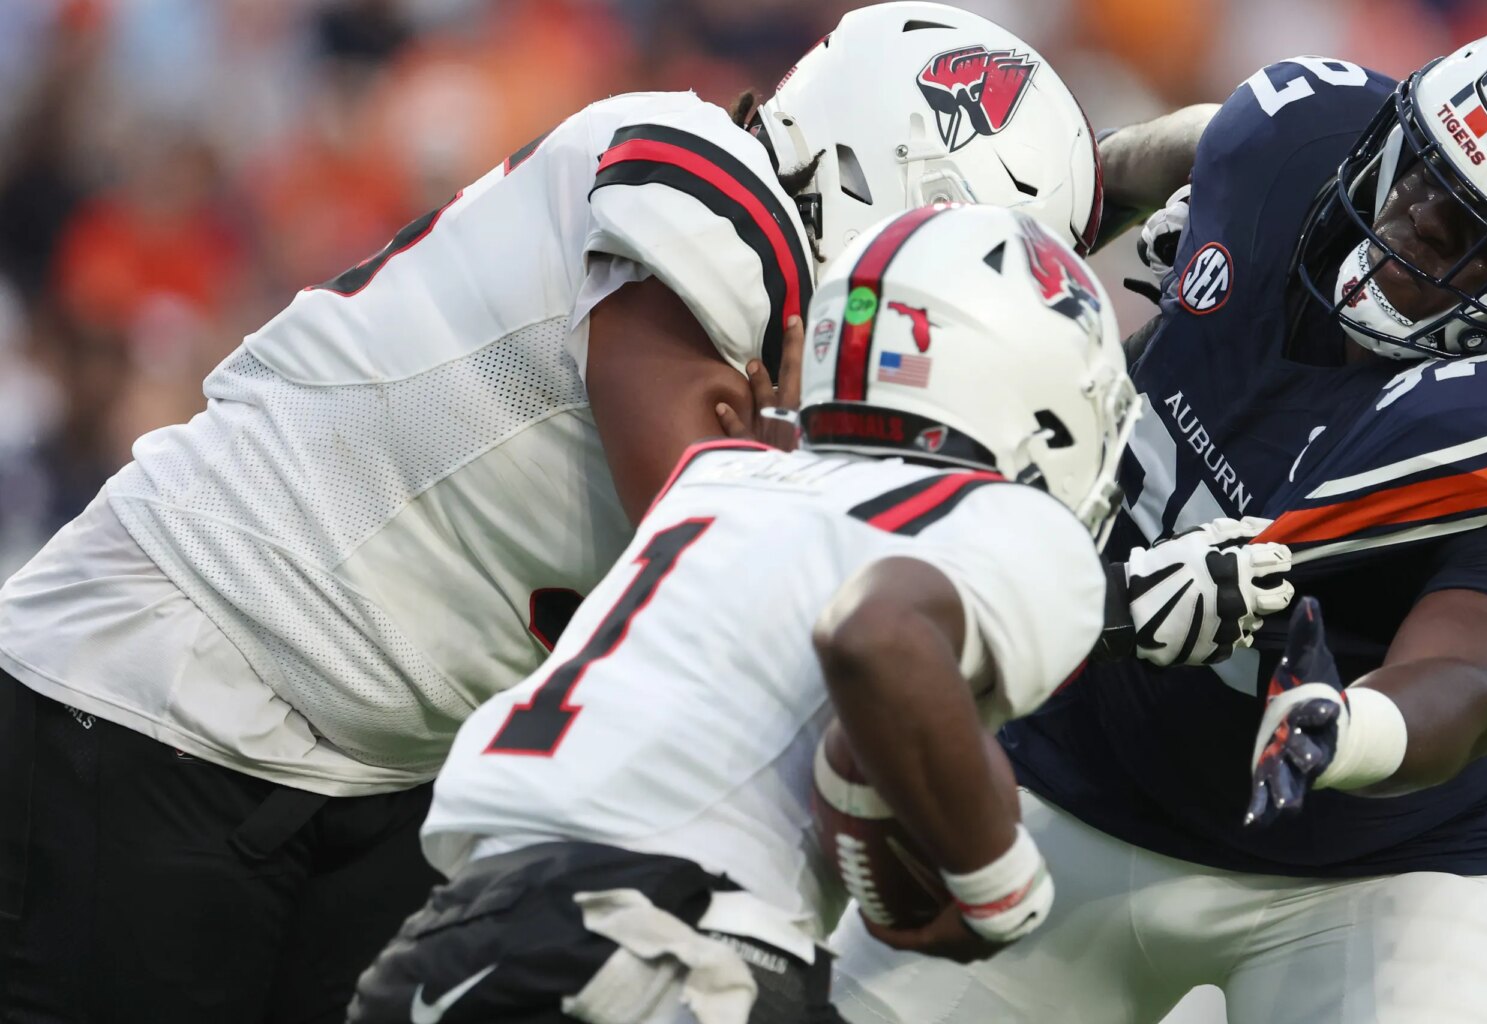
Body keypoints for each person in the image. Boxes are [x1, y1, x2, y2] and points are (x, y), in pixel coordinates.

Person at [0, 4, 1108, 1019]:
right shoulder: (698, 164)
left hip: (373, 763)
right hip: (166, 679)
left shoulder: (780, 330)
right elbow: (721, 536)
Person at [832, 20, 1487, 1024]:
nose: (1411, 214)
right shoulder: (1292, 159)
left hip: (1372, 877)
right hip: (1078, 767)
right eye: (1418, 166)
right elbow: (1155, 159)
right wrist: (1069, 223)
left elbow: (1479, 677)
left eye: (1469, 230)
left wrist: (1350, 728)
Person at [347, 203, 1139, 1023]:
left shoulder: (724, 476)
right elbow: (877, 637)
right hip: (664, 946)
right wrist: (1002, 887)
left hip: (457, 935)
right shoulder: (1007, 522)